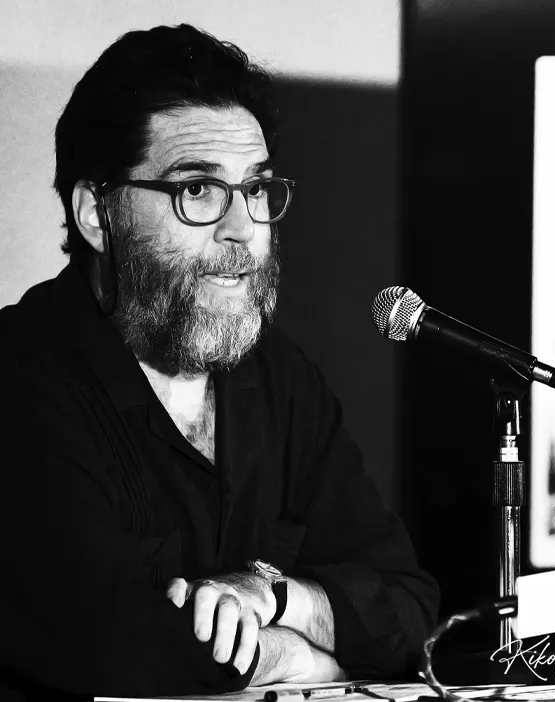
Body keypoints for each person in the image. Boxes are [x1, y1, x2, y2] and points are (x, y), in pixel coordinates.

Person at [0, 24, 439, 701]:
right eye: (199, 191)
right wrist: (305, 658)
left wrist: (277, 597)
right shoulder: (21, 379)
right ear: (96, 213)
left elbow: (409, 609)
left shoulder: (281, 379)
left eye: (255, 189)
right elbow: (116, 650)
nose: (244, 230)